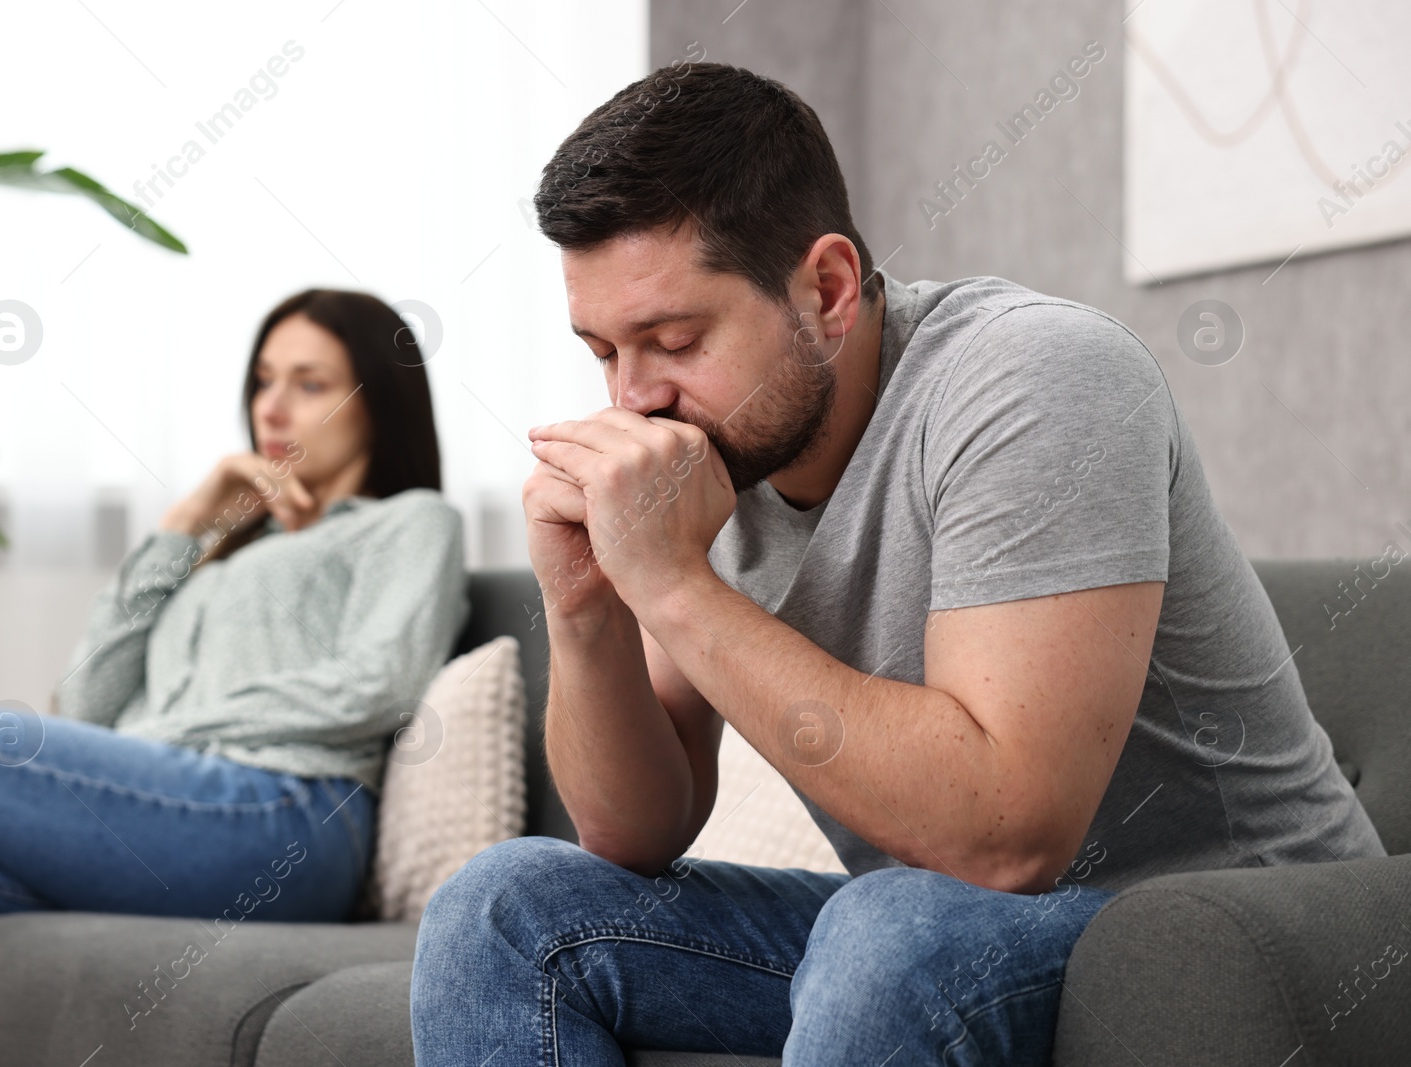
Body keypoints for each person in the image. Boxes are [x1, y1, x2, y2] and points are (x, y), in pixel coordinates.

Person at [409, 63, 1384, 1065]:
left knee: (892, 926)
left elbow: (1005, 835)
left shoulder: (1034, 378)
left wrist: (670, 581)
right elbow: (632, 833)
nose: (633, 398)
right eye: (604, 350)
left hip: (1242, 928)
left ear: (826, 289)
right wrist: (584, 608)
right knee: (503, 908)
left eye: (671, 339)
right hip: (936, 931)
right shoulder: (711, 458)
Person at [0, 289, 468, 1067]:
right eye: (263, 380)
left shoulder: (413, 519)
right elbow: (88, 700)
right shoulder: (227, 550)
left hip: (286, 812)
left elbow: (382, 682)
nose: (274, 407)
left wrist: (170, 736)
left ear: (377, 404)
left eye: (311, 383)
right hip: (175, 802)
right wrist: (186, 523)